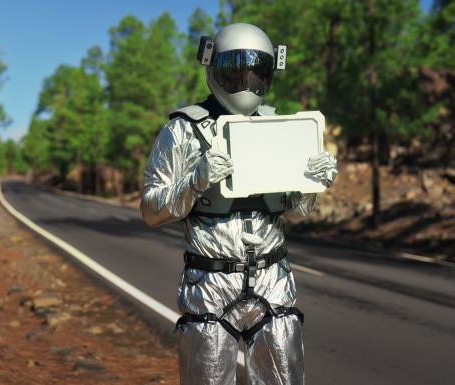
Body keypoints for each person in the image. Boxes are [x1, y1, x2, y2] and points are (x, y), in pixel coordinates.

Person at [140, 23, 337, 385]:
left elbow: (293, 209)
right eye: (235, 71)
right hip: (210, 282)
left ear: (269, 73)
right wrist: (195, 180)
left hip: (272, 279)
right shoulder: (184, 131)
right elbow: (151, 209)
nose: (247, 84)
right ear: (214, 68)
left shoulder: (277, 127)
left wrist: (311, 183)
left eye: (256, 72)